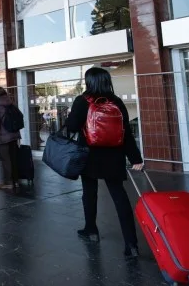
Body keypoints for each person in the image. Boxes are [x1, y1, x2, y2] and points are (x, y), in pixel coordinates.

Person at [65, 67, 144, 257]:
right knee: (120, 196)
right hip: (114, 157)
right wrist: (135, 158)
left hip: (89, 156)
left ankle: (91, 230)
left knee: (89, 193)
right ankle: (131, 244)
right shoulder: (116, 101)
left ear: (88, 82)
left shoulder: (82, 101)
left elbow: (72, 127)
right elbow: (126, 133)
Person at [0, 87, 21, 190]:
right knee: (14, 159)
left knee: (5, 160)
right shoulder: (11, 102)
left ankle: (9, 182)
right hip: (14, 135)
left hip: (3, 137)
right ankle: (15, 181)